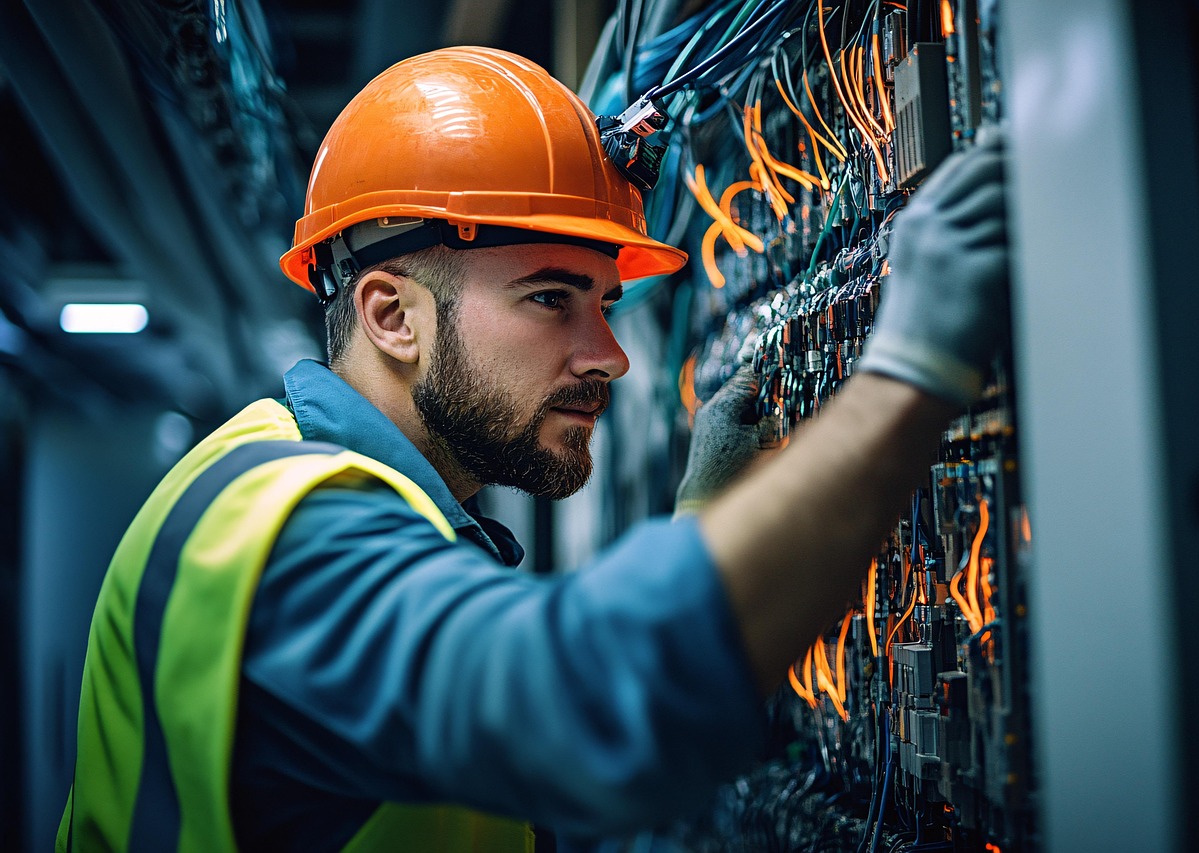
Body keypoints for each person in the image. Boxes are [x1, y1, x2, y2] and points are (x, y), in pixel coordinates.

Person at [56, 47, 1008, 851]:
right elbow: (581, 710)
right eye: (552, 298)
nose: (612, 354)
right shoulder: (279, 532)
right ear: (392, 315)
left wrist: (701, 525)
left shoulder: (380, 508)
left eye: (604, 302)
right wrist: (910, 370)